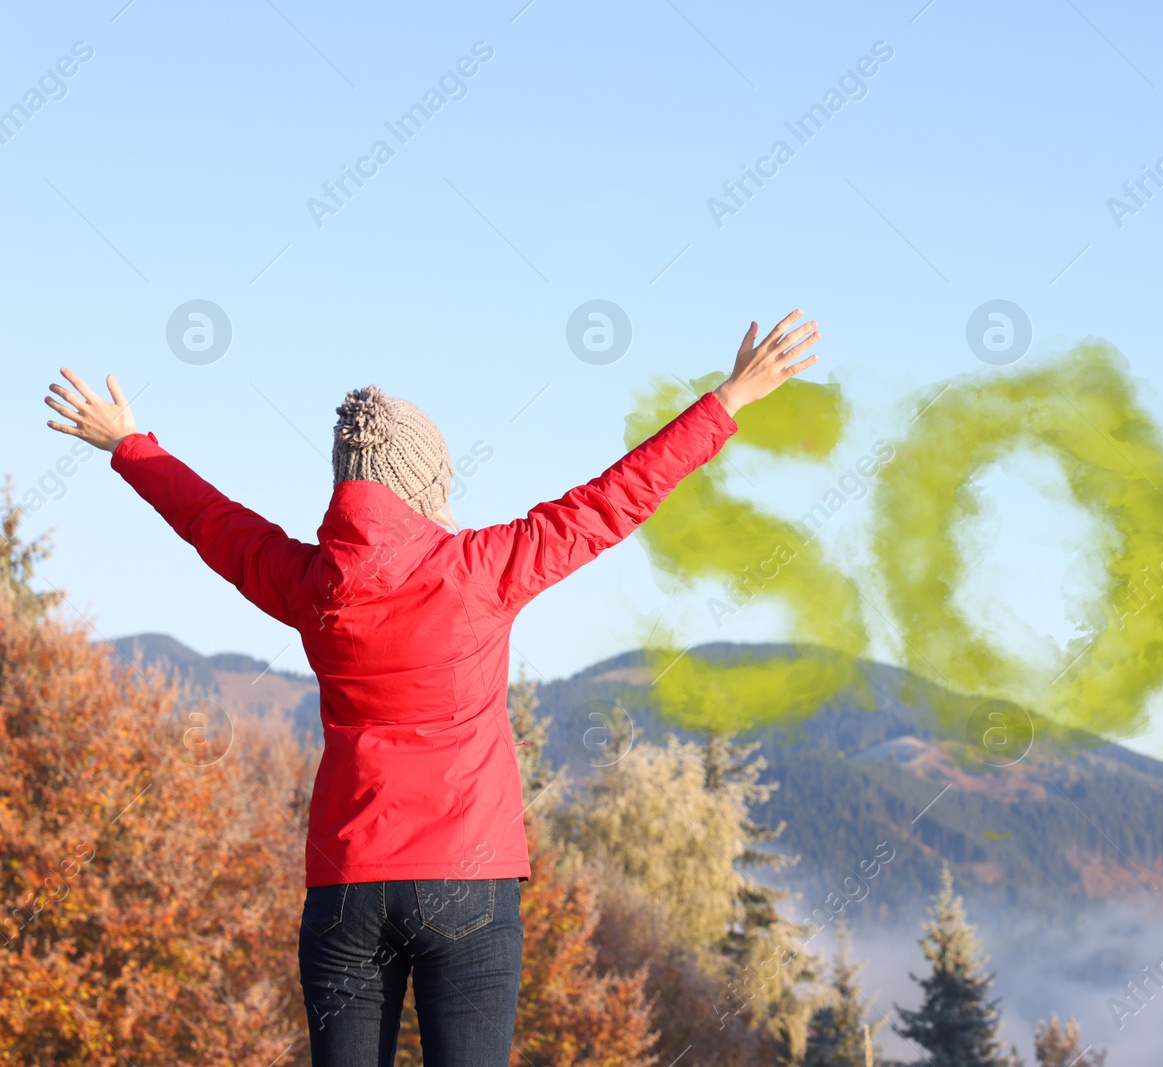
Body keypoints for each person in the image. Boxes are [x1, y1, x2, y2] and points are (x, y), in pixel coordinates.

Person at [42, 310, 820, 1067]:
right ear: (421, 488)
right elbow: (617, 498)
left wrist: (128, 444)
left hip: (348, 887)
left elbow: (213, 522)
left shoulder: (313, 582)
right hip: (468, 880)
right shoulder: (484, 568)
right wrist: (731, 398)